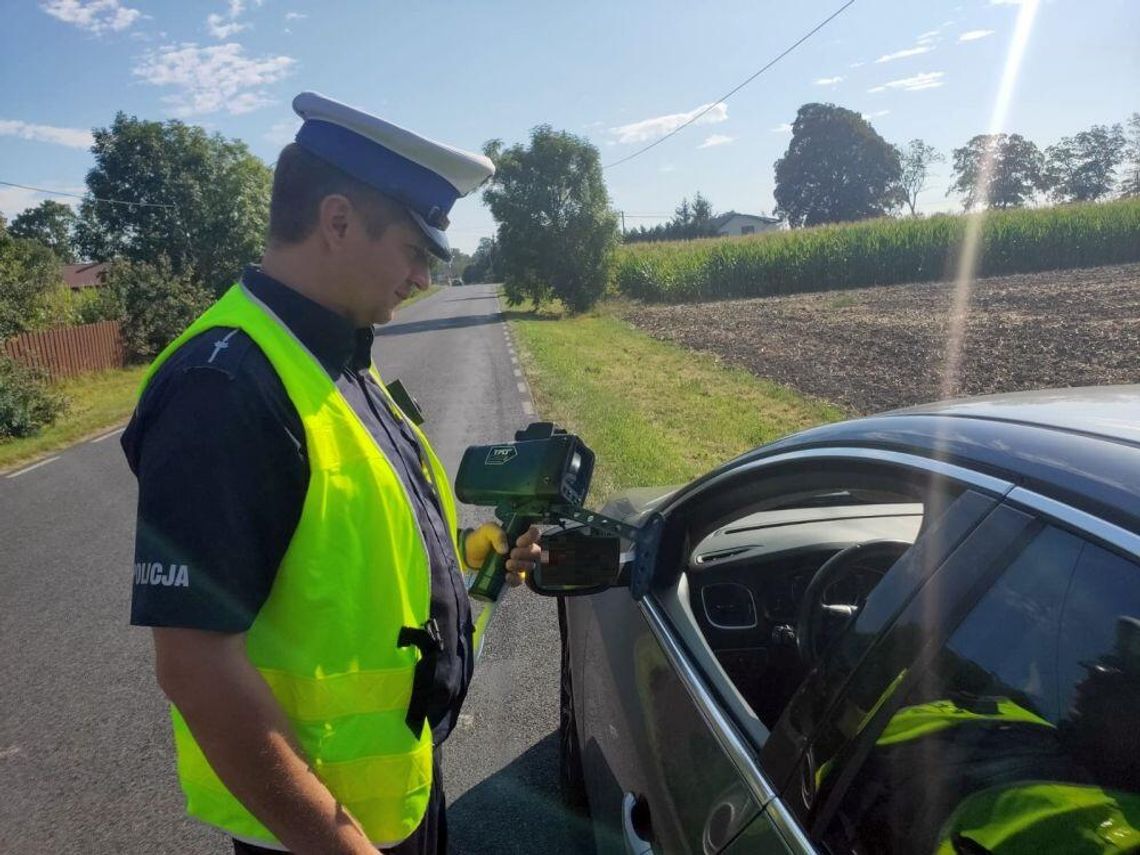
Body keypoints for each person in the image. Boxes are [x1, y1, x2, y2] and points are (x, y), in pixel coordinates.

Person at [122, 91, 541, 854]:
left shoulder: (337, 351)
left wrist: (477, 556)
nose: (421, 278)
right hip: (318, 830)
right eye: (415, 251)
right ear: (338, 221)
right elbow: (195, 668)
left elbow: (354, 549)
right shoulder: (224, 387)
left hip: (395, 795)